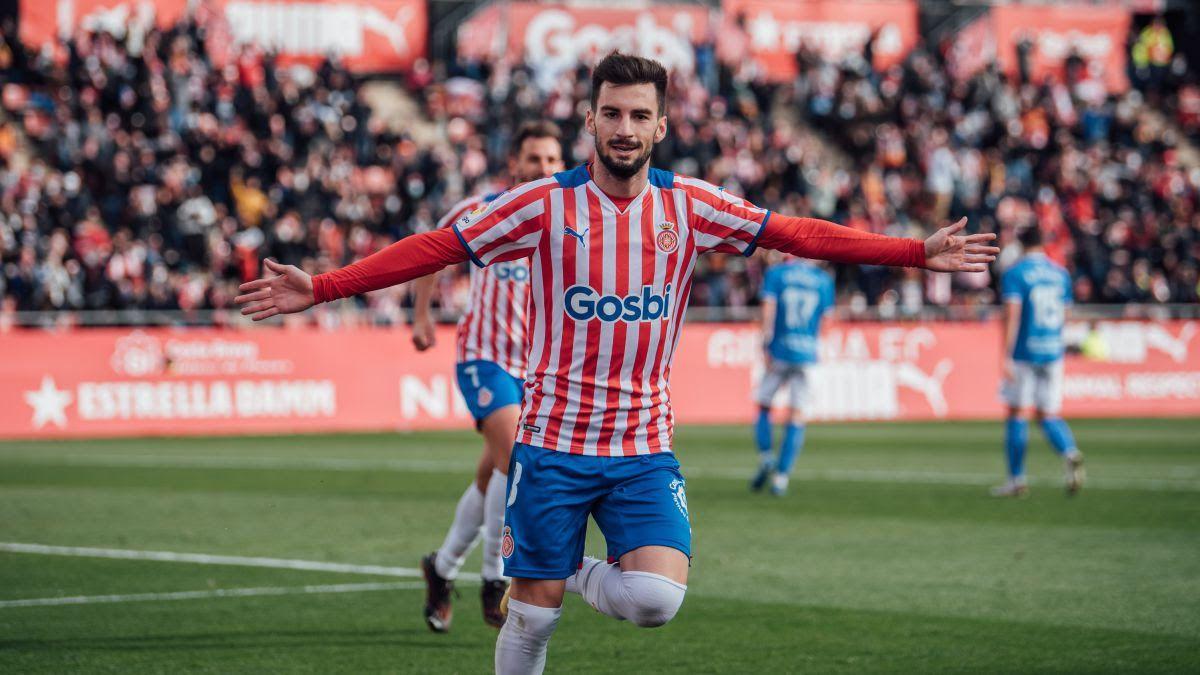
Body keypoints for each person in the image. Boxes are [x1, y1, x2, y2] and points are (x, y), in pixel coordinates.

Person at [235, 52, 998, 675]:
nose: (625, 128)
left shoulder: (689, 206)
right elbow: (440, 245)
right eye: (612, 113)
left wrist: (910, 252)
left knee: (655, 599)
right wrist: (327, 286)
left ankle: (559, 564)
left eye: (640, 115)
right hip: (555, 444)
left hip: (640, 448)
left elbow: (796, 234)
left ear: (661, 125)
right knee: (530, 623)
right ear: (589, 119)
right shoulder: (541, 205)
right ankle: (542, 571)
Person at [409, 122, 565, 632]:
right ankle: (495, 578)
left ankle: (441, 566)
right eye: (533, 159)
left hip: (538, 371)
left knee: (492, 475)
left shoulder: (570, 217)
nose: (543, 168)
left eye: (551, 160)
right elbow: (433, 251)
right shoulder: (484, 210)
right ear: (514, 164)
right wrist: (423, 315)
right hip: (485, 358)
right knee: (515, 459)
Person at [993, 226, 1084, 498]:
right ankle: (1070, 452)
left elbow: (1013, 313)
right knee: (1048, 414)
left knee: (1017, 412)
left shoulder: (1015, 273)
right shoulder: (1060, 274)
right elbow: (1066, 314)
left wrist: (1005, 354)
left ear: (1021, 244)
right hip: (1052, 352)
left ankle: (1016, 479)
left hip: (1024, 353)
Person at [751, 254, 834, 496]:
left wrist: (765, 342)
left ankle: (766, 456)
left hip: (779, 349)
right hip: (807, 354)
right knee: (797, 416)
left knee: (764, 405)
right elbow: (827, 320)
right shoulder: (823, 279)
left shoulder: (777, 273)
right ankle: (781, 478)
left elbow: (769, 307)